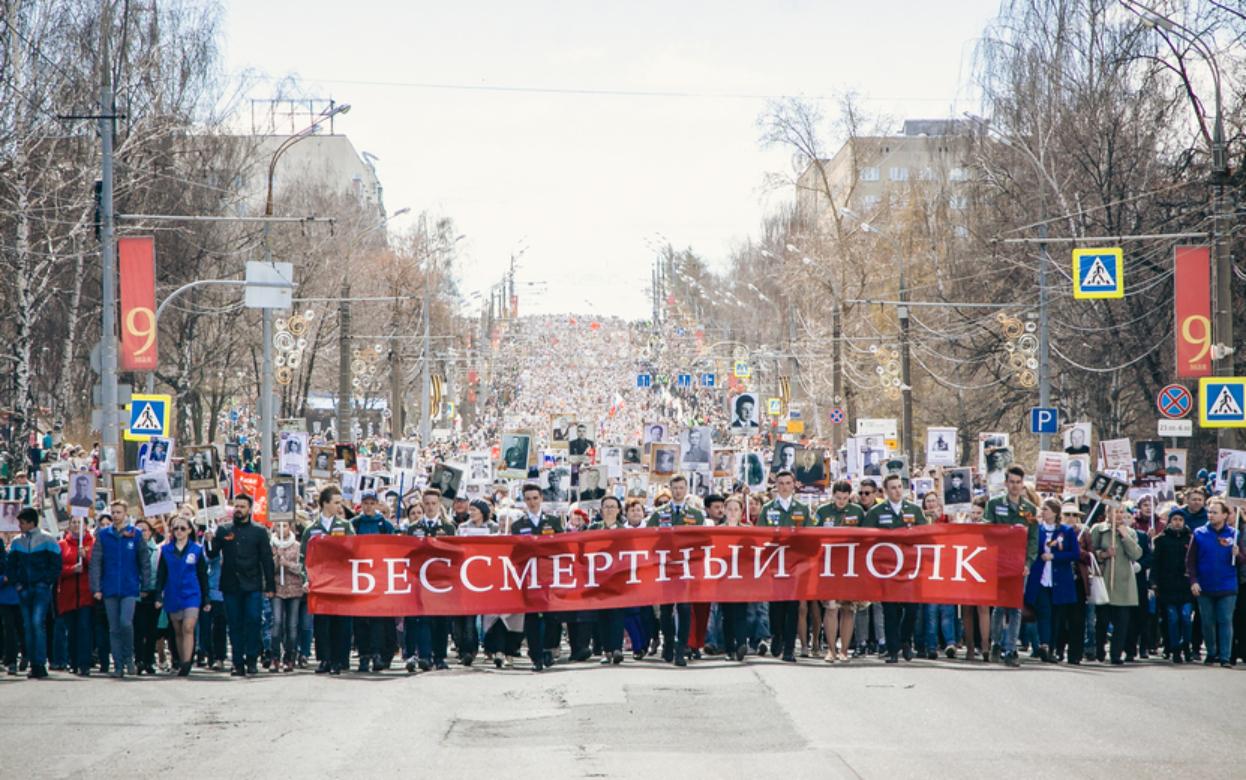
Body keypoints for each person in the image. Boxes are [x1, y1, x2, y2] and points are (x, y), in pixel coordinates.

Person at [206, 493, 275, 676]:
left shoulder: (259, 531)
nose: (239, 509)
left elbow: (266, 560)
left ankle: (252, 659)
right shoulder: (224, 529)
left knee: (253, 621)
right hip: (231, 585)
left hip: (252, 584)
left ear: (250, 509)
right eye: (236, 506)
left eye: (242, 506)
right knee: (234, 624)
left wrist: (270, 586)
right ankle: (237, 662)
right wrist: (209, 541)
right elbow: (213, 554)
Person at [862, 473, 927, 663]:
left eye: (899, 487)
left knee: (912, 609)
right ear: (886, 491)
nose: (897, 491)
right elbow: (866, 537)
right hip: (886, 569)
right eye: (893, 487)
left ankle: (905, 640)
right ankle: (892, 649)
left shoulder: (914, 510)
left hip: (909, 569)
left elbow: (925, 535)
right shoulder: (876, 512)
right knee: (890, 610)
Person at [645, 475, 705, 667]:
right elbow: (648, 538)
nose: (678, 491)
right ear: (670, 489)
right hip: (665, 568)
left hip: (686, 568)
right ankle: (668, 644)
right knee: (665, 611)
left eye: (681, 487)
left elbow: (703, 541)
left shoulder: (696, 515)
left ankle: (681, 649)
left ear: (686, 489)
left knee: (685, 609)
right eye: (675, 488)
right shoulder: (659, 513)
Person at [89, 508, 152, 678]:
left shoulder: (135, 534)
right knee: (114, 628)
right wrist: (96, 588)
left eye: (119, 512)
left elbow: (144, 560)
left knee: (125, 622)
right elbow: (96, 562)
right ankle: (117, 664)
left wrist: (145, 585)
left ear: (125, 514)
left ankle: (128, 658)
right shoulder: (103, 535)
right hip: (109, 588)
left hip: (129, 587)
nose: (116, 515)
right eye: (114, 512)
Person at [756, 470, 811, 663]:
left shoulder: (803, 509)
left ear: (794, 485)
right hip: (774, 565)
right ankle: (776, 634)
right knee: (776, 607)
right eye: (781, 483)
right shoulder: (768, 509)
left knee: (793, 607)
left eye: (788, 483)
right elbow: (760, 536)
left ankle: (789, 648)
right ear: (776, 486)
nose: (785, 487)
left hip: (795, 565)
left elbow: (810, 536)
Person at [986, 465, 1038, 667]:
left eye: (1018, 482)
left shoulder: (1029, 510)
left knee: (1015, 606)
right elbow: (987, 528)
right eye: (1011, 482)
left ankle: (1011, 649)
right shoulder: (994, 504)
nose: (1015, 486)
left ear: (1022, 484)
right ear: (1006, 483)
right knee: (999, 606)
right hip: (999, 562)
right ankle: (996, 643)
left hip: (1019, 563)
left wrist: (1028, 562)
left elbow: (1033, 538)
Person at [301, 486, 354, 675]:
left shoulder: (345, 526)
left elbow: (354, 551)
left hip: (340, 583)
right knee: (322, 623)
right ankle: (324, 659)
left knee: (341, 623)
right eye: (336, 502)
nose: (340, 506)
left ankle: (339, 660)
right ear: (325, 503)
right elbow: (303, 557)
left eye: (340, 502)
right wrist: (305, 579)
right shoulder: (311, 529)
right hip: (320, 583)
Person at [403, 489, 457, 672]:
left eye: (434, 503)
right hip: (419, 580)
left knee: (441, 620)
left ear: (439, 503)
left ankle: (440, 656)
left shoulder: (449, 528)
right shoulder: (413, 528)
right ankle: (425, 656)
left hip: (441, 580)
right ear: (422, 504)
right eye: (427, 503)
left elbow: (454, 553)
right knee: (422, 618)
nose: (430, 507)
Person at [511, 484, 564, 671]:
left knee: (552, 616)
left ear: (541, 498)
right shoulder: (518, 526)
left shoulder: (554, 522)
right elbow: (514, 553)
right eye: (528, 499)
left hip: (549, 576)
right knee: (532, 616)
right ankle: (536, 655)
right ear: (524, 501)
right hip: (529, 578)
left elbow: (563, 547)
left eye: (535, 498)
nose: (532, 502)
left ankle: (549, 648)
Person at [1186, 497, 1242, 668]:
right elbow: (1190, 561)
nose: (1210, 515)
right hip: (1205, 585)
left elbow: (1243, 560)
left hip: (1227, 585)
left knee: (1225, 620)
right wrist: (1193, 581)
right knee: (1208, 621)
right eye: (1209, 512)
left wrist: (1238, 554)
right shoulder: (1199, 533)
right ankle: (1211, 653)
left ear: (1225, 515)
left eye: (1215, 512)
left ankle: (1225, 656)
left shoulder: (1234, 533)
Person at [1023, 498, 1079, 664]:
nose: (1043, 512)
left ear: (1054, 512)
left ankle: (1052, 647)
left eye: (1046, 509)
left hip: (1059, 580)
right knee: (1044, 612)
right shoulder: (1036, 529)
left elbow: (1074, 554)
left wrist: (1054, 556)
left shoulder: (1066, 531)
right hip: (1040, 578)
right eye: (1042, 509)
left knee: (1057, 616)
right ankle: (1044, 645)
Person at [8, 508, 60, 678]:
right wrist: (17, 585)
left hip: (40, 589)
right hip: (24, 589)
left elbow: (55, 565)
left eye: (22, 523)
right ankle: (33, 663)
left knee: (37, 623)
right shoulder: (17, 542)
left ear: (31, 522)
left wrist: (46, 583)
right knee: (28, 626)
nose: (20, 526)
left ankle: (39, 663)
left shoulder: (47, 539)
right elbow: (11, 566)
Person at [816, 480, 864, 662]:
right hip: (829, 565)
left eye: (845, 498)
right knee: (830, 607)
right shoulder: (822, 511)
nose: (841, 501)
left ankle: (844, 650)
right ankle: (831, 649)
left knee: (848, 608)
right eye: (838, 498)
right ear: (832, 495)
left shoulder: (857, 511)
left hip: (851, 566)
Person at [1088, 505, 1143, 665]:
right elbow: (1091, 552)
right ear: (1107, 513)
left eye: (1121, 512)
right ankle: (1099, 650)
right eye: (1115, 512)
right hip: (1105, 580)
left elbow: (1136, 554)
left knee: (1122, 622)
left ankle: (1116, 654)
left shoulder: (1130, 532)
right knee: (1103, 620)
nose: (1118, 515)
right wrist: (1103, 554)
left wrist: (1125, 536)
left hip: (1124, 582)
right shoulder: (1099, 529)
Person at [154, 515, 208, 677]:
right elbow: (161, 575)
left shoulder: (197, 550)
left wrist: (206, 598)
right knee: (178, 630)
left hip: (191, 594)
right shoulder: (166, 550)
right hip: (172, 593)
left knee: (188, 627)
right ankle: (181, 657)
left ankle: (186, 663)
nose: (179, 531)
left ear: (189, 530)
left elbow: (202, 575)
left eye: (183, 528)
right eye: (176, 528)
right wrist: (158, 596)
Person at [351, 491, 395, 672]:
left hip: (379, 577)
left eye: (371, 503)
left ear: (377, 504)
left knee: (378, 618)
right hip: (359, 577)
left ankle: (377, 653)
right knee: (360, 619)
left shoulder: (384, 524)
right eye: (365, 503)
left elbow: (394, 548)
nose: (368, 506)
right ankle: (363, 654)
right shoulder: (355, 523)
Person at [1150, 509, 1193, 663]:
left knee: (1186, 617)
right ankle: (1174, 648)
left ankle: (1186, 645)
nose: (1177, 522)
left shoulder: (1190, 538)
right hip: (1167, 586)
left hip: (1185, 586)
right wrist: (1154, 582)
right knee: (1172, 618)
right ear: (1169, 521)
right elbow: (1155, 563)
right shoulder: (1161, 540)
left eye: (1180, 520)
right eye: (1174, 519)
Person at [921, 491, 958, 659]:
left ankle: (950, 643)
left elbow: (956, 531)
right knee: (931, 612)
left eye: (933, 501)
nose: (930, 504)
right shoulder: (921, 519)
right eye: (927, 501)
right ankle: (931, 646)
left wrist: (949, 515)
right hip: (928, 570)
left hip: (946, 569)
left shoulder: (946, 518)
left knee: (947, 610)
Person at [57, 515, 95, 676]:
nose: (75, 525)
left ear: (85, 525)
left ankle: (84, 662)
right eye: (73, 522)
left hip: (86, 594)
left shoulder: (92, 543)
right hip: (68, 595)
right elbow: (57, 568)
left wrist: (86, 557)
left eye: (79, 523)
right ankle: (72, 661)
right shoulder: (62, 545)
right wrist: (72, 569)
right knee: (71, 630)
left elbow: (97, 565)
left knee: (84, 628)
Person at [269, 517, 303, 673]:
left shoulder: (297, 546)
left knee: (292, 625)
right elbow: (268, 568)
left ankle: (290, 657)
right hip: (277, 589)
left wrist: (287, 564)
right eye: (277, 526)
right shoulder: (271, 545)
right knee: (277, 622)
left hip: (294, 590)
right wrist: (277, 560)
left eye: (284, 526)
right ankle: (275, 656)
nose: (281, 529)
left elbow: (301, 568)